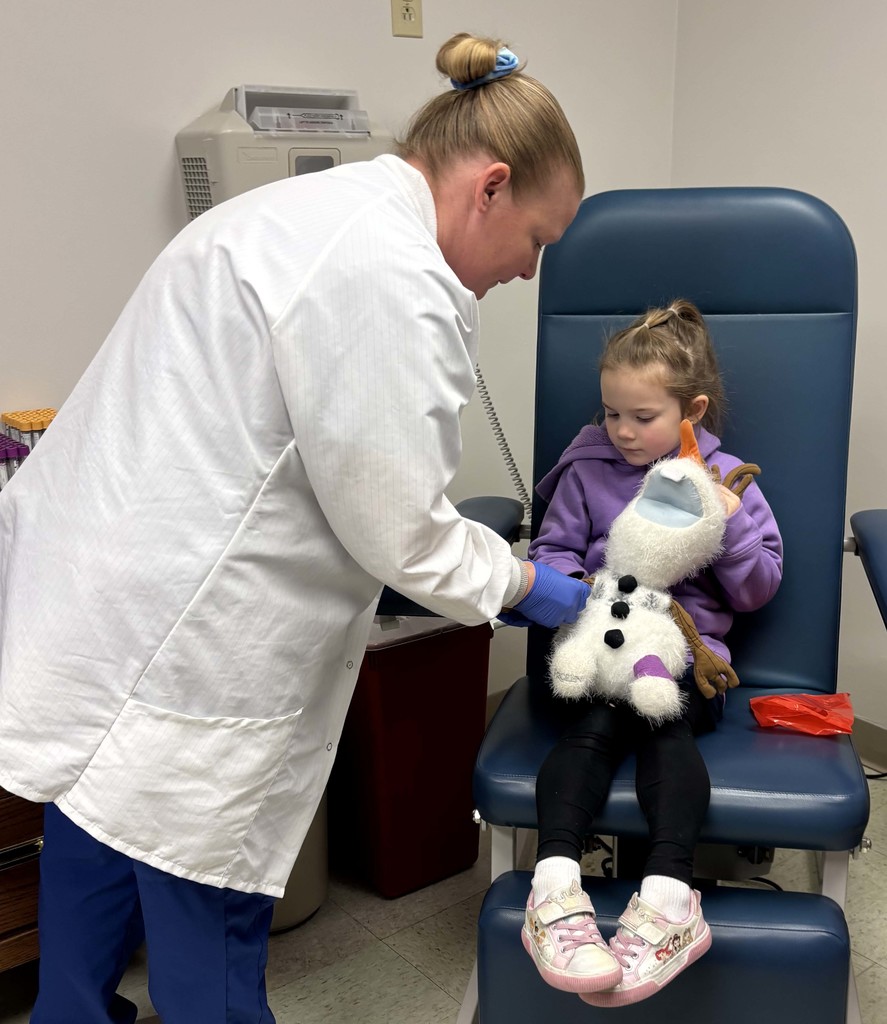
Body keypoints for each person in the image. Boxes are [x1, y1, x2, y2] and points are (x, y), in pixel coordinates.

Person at [0, 32, 590, 1024]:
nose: (531, 272)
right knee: (207, 926)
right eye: (536, 239)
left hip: (102, 606)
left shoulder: (311, 211)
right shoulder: (388, 275)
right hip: (187, 651)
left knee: (94, 844)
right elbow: (399, 530)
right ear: (489, 186)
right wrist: (525, 583)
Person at [521, 299, 783, 1006]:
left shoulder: (727, 484)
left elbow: (758, 587)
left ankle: (669, 899)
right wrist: (582, 593)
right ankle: (553, 893)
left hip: (683, 659)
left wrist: (725, 531)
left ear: (690, 410)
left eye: (642, 417)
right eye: (611, 414)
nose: (622, 432)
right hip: (601, 647)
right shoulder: (585, 470)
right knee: (592, 731)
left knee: (666, 731)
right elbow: (550, 551)